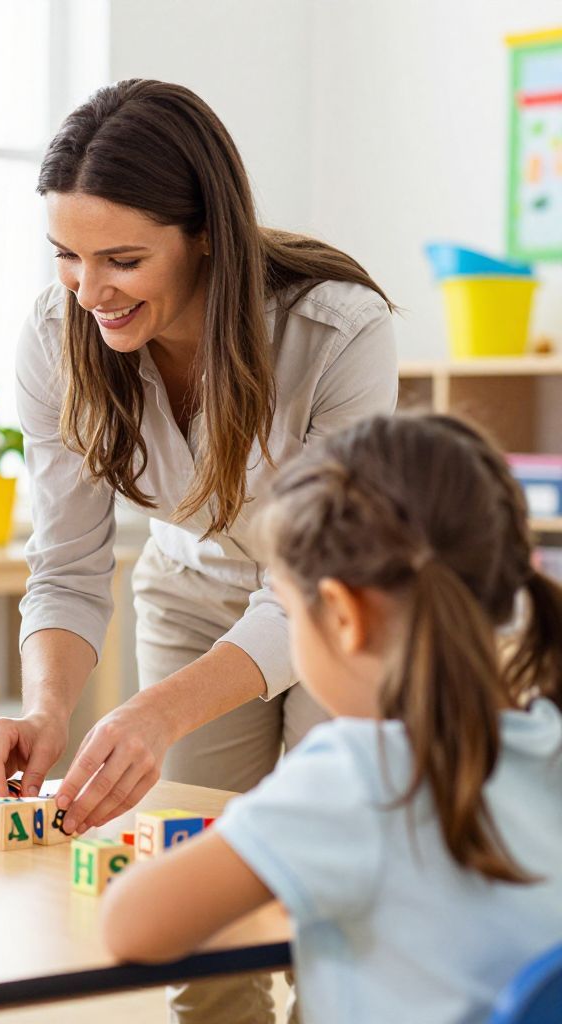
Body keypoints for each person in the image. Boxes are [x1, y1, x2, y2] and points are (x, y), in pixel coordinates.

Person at [0, 78, 399, 1022]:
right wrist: (48, 708)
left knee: (333, 908)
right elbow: (70, 562)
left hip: (342, 614)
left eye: (121, 259)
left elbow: (317, 575)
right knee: (203, 914)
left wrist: (155, 712)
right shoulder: (57, 339)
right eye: (67, 258)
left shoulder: (337, 333)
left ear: (206, 232)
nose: (89, 292)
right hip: (193, 592)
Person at [103, 413, 562, 1024]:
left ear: (344, 615)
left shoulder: (356, 776)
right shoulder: (548, 742)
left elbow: (130, 925)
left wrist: (265, 850)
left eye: (287, 609)